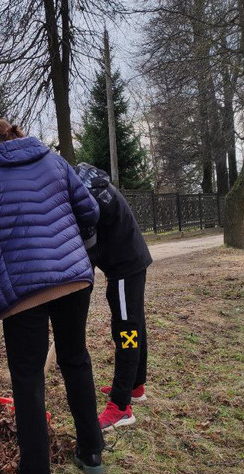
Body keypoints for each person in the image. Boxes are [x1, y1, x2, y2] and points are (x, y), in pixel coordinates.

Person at [0, 119, 104, 474]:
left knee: (27, 379)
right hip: (74, 278)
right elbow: (89, 210)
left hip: (23, 290)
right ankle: (91, 453)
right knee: (76, 360)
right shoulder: (54, 160)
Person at [74, 163, 153, 430]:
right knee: (135, 323)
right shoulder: (87, 183)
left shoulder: (86, 199)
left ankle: (121, 406)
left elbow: (89, 253)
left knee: (126, 330)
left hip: (124, 267)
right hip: (132, 259)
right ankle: (135, 386)